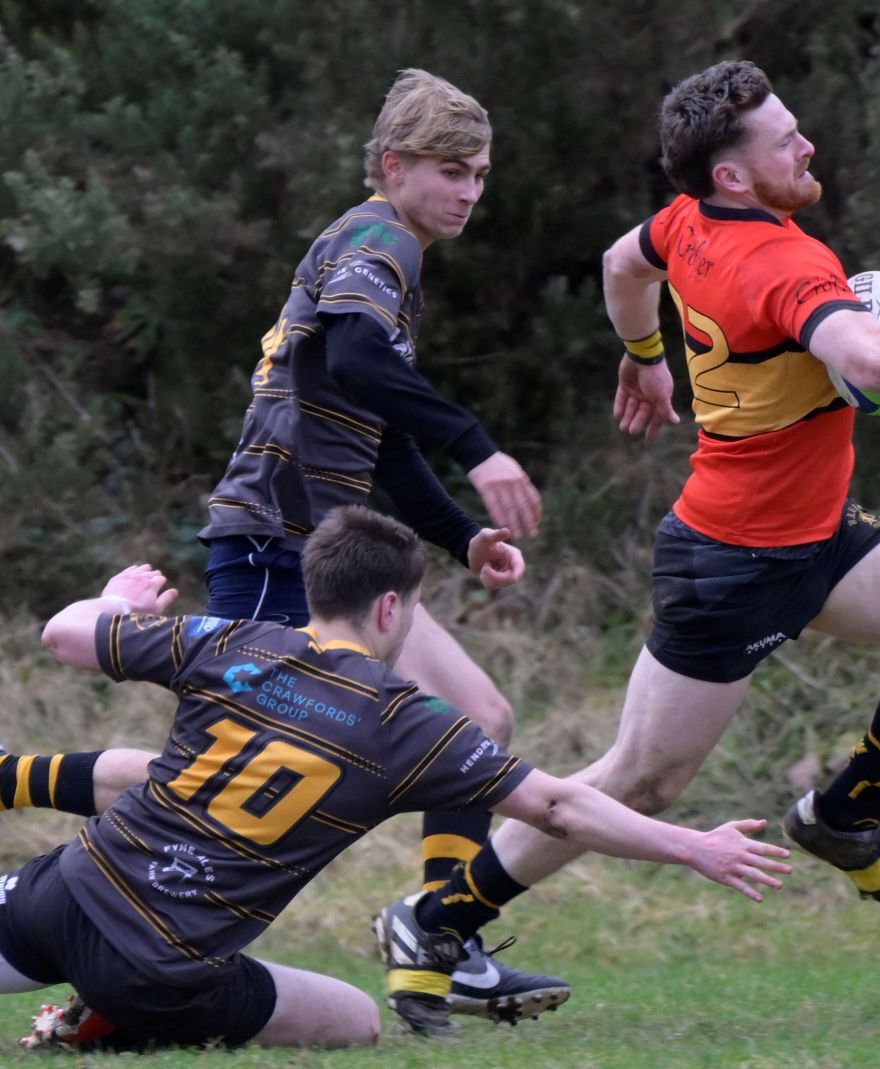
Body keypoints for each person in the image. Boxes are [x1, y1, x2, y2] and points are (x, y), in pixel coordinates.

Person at [373, 57, 880, 1032]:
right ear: (730, 173)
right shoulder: (784, 263)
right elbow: (878, 361)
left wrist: (646, 361)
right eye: (784, 140)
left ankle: (840, 813)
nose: (804, 146)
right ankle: (434, 919)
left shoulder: (688, 220)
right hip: (729, 564)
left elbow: (618, 265)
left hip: (821, 537)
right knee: (639, 778)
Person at [2, 67, 561, 1019]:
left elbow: (368, 427)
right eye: (453, 172)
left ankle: (438, 939)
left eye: (481, 174)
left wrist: (463, 538)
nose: (470, 192)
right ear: (395, 165)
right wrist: (479, 446)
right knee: (214, 780)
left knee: (477, 717)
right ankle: (98, 931)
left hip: (325, 547)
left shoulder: (383, 254)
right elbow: (352, 358)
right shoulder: (378, 238)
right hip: (277, 545)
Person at [0, 507, 791, 1050]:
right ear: (389, 609)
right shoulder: (406, 724)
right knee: (354, 1020)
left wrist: (113, 600)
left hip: (63, 889)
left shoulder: (233, 642)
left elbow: (64, 633)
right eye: (412, 610)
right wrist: (692, 847)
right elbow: (555, 804)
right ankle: (103, 1027)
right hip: (159, 969)